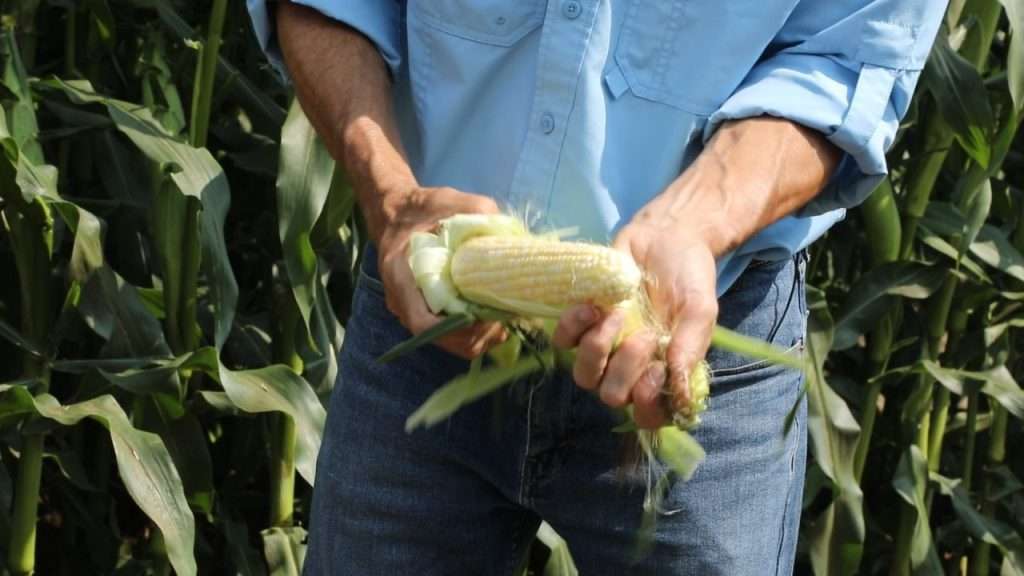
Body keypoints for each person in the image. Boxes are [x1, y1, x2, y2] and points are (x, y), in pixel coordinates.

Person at [247, 1, 944, 573]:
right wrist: (390, 193)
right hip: (423, 321)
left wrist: (692, 223)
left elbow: (848, 54)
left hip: (694, 355)